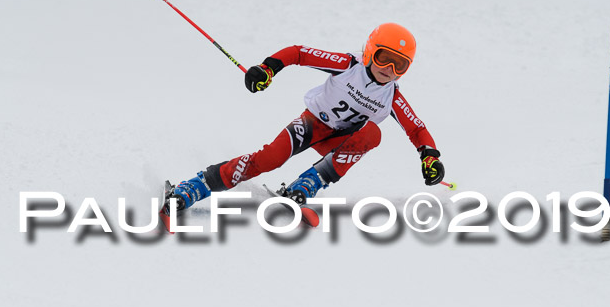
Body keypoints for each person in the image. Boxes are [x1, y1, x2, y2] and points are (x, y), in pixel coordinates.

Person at [167, 22, 445, 210]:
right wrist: (268, 69)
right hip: (311, 125)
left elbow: (416, 128)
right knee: (270, 159)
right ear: (371, 52)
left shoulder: (392, 96)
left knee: (373, 134)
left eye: (400, 65)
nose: (389, 69)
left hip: (339, 142)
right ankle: (198, 184)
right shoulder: (348, 65)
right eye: (385, 58)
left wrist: (429, 156)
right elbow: (299, 53)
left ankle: (310, 182)